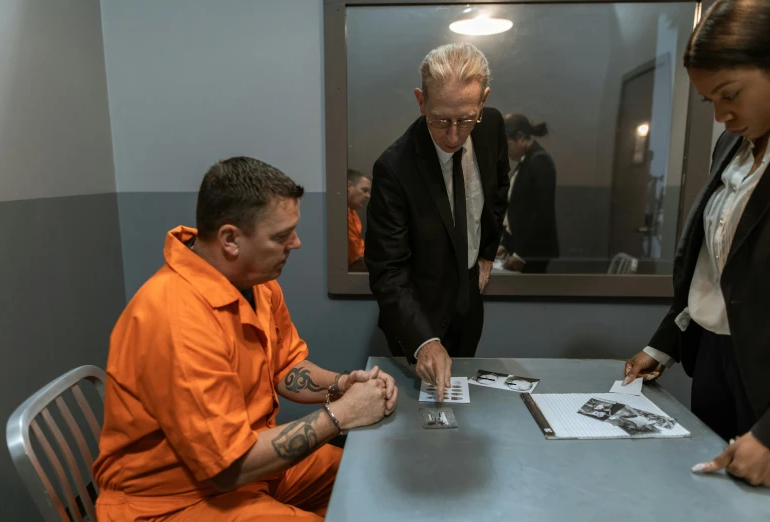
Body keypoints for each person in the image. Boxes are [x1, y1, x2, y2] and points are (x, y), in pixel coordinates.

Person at [93, 157, 399, 521]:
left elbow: (286, 368)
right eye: (281, 235)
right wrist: (341, 415)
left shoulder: (258, 283)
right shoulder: (175, 316)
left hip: (245, 471)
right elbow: (228, 466)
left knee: (370, 474)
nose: (296, 243)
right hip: (172, 499)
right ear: (230, 239)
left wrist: (342, 385)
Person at [623, 0, 770, 488]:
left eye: (730, 94)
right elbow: (712, 270)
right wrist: (665, 342)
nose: (723, 114)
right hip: (715, 357)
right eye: (709, 101)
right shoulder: (731, 145)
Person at [365, 43, 510, 402]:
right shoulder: (393, 168)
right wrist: (424, 341)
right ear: (420, 101)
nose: (453, 135)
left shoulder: (491, 127)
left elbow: (498, 191)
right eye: (440, 119)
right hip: (416, 316)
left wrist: (488, 252)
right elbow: (388, 270)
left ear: (483, 101)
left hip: (468, 306)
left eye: (465, 119)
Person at [497, 114, 560, 274]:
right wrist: (506, 244)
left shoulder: (539, 162)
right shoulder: (526, 162)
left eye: (507, 145)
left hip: (533, 253)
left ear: (520, 137)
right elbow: (518, 210)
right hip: (522, 249)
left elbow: (542, 215)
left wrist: (521, 255)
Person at [347, 168, 372, 271]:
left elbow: (360, 249)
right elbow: (355, 258)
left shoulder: (353, 214)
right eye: (364, 190)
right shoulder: (341, 216)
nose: (368, 196)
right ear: (348, 186)